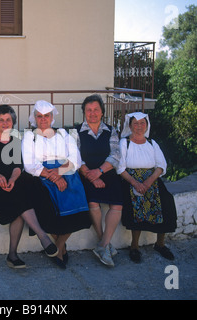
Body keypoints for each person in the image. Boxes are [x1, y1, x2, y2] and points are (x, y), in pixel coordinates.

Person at [0, 104, 58, 268]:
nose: (5, 123)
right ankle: (41, 237)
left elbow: (17, 166)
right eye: (1, 120)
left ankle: (13, 255)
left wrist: (12, 179)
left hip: (10, 185)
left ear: (12, 123)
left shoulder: (15, 141)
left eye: (8, 120)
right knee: (20, 199)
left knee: (20, 190)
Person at [22, 100, 91, 269]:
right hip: (41, 175)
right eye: (40, 116)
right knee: (45, 207)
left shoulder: (63, 134)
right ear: (35, 118)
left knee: (74, 206)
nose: (43, 119)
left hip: (65, 172)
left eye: (46, 116)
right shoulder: (30, 136)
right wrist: (53, 177)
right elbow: (29, 164)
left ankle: (58, 247)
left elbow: (75, 158)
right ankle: (61, 248)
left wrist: (60, 173)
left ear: (52, 117)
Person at [117, 112, 177, 263]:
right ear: (130, 126)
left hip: (152, 180)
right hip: (131, 180)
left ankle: (160, 244)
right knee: (135, 206)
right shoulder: (125, 143)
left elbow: (161, 165)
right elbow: (120, 167)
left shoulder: (152, 143)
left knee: (166, 202)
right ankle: (134, 246)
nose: (139, 126)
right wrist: (136, 183)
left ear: (147, 125)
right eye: (135, 123)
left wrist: (148, 182)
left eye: (142, 123)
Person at [75, 94, 123, 267]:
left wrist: (100, 171)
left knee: (117, 204)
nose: (92, 113)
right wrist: (91, 175)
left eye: (96, 109)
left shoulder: (111, 130)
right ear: (84, 113)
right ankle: (105, 244)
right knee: (93, 202)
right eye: (89, 110)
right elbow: (76, 157)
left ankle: (102, 245)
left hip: (107, 172)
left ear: (102, 112)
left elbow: (115, 156)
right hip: (86, 173)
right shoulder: (77, 131)